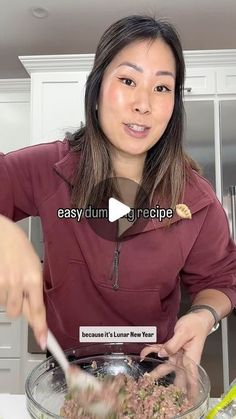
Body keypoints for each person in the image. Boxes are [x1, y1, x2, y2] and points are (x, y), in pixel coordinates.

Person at [0, 15, 236, 366]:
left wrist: (204, 315)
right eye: (128, 80)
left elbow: (222, 278)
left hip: (156, 373)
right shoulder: (48, 168)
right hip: (67, 375)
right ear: (95, 91)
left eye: (161, 87)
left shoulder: (196, 201)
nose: (144, 104)